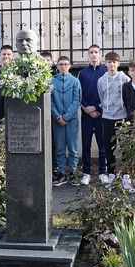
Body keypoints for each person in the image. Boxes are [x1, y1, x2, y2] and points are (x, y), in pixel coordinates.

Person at [97, 51, 130, 185]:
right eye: (109, 62)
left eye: (114, 62)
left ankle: (126, 175)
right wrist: (106, 108)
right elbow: (101, 96)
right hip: (107, 116)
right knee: (109, 146)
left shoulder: (125, 79)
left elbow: (127, 97)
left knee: (125, 145)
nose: (112, 64)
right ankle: (111, 173)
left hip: (122, 116)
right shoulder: (101, 80)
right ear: (105, 63)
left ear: (118, 64)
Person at [78, 44, 107, 186]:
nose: (94, 55)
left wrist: (97, 108)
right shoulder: (82, 73)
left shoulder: (106, 71)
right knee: (86, 144)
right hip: (86, 115)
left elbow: (108, 94)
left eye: (96, 52)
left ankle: (102, 172)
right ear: (88, 55)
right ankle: (86, 173)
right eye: (91, 52)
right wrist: (88, 110)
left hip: (102, 114)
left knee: (102, 145)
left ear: (100, 54)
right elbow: (79, 94)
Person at [51, 56, 82, 187]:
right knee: (59, 148)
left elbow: (77, 101)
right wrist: (58, 116)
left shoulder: (75, 81)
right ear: (57, 66)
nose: (63, 66)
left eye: (65, 64)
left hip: (71, 120)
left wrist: (66, 117)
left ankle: (73, 173)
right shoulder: (52, 81)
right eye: (61, 64)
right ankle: (62, 173)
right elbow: (50, 101)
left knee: (73, 148)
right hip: (57, 120)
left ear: (70, 66)